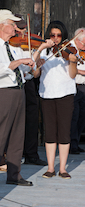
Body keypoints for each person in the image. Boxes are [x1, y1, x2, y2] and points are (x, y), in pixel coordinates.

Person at [0, 9, 53, 188]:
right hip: (2, 92)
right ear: (2, 25)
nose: (16, 28)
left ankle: (14, 174)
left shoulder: (14, 46)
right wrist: (20, 62)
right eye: (13, 25)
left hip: (19, 90)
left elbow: (28, 71)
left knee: (17, 135)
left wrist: (38, 52)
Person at [34, 20, 78, 179]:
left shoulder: (71, 51)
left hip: (65, 94)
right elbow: (35, 75)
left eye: (59, 35)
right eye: (52, 35)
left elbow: (72, 75)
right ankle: (51, 167)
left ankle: (63, 169)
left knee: (64, 132)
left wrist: (72, 62)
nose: (56, 38)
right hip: (47, 94)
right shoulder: (44, 51)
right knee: (50, 132)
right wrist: (38, 65)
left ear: (63, 35)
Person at [14, 14, 47, 166]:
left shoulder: (29, 45)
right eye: (19, 27)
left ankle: (31, 154)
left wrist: (37, 66)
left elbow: (35, 73)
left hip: (28, 84)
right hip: (13, 84)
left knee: (32, 119)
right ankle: (13, 155)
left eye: (23, 27)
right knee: (15, 121)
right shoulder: (9, 45)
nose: (22, 30)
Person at [70, 28, 85, 154]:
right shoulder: (70, 49)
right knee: (74, 116)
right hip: (75, 85)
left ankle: (77, 141)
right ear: (77, 40)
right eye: (84, 44)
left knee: (82, 116)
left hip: (83, 86)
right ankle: (71, 144)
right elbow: (68, 67)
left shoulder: (82, 50)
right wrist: (82, 72)